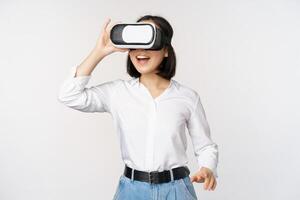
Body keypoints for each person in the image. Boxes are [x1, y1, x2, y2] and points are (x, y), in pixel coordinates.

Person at [58, 15, 219, 200]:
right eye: (135, 43)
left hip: (177, 190)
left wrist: (207, 168)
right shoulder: (118, 92)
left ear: (166, 50)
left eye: (149, 42)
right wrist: (99, 51)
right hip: (131, 191)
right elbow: (69, 95)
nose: (140, 50)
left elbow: (206, 146)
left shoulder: (188, 97)